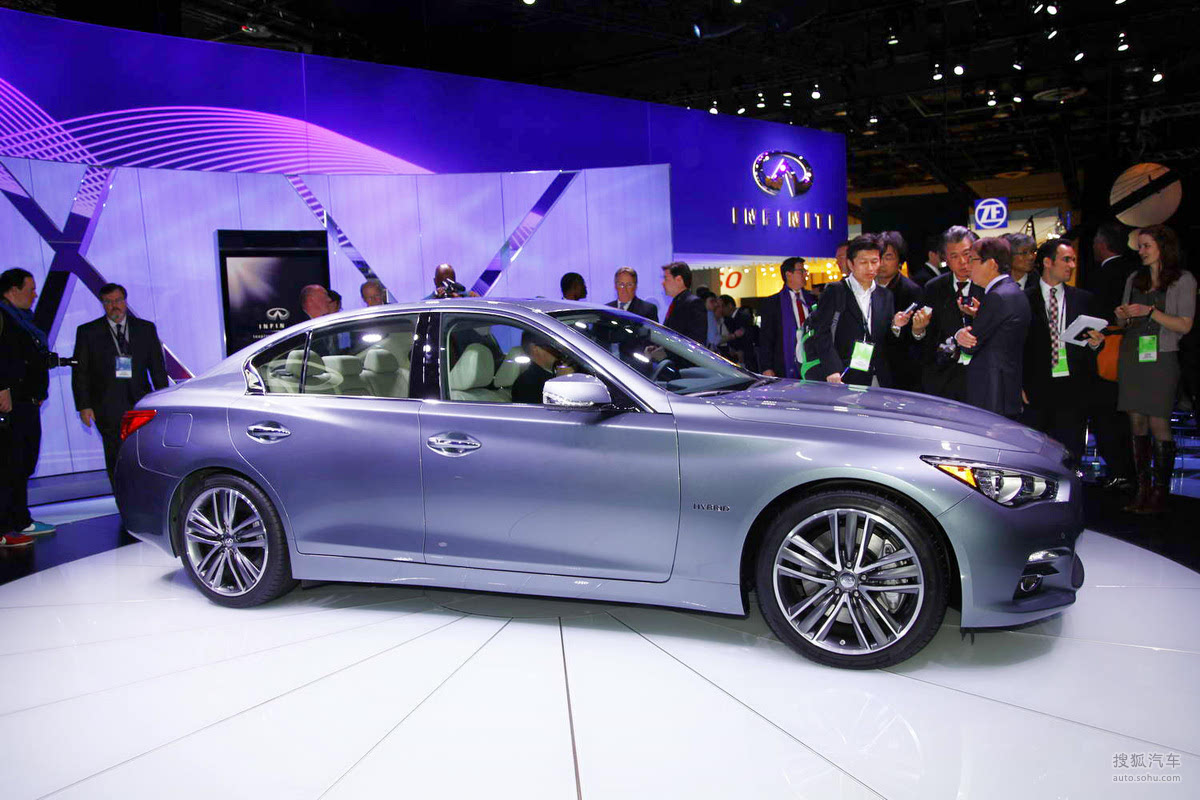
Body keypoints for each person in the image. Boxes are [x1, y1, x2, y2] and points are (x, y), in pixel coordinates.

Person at [1115, 224, 1196, 514]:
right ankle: (1142, 489)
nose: (1141, 251)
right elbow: (1123, 322)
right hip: (1132, 353)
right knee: (1136, 421)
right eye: (1139, 246)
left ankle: (1160, 492)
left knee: (1158, 421)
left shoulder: (1183, 279)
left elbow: (1184, 325)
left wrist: (1151, 311)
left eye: (1146, 245)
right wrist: (1122, 315)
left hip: (1162, 356)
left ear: (1163, 247)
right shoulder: (1134, 278)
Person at [71, 283, 170, 484]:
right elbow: (81, 372)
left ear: (125, 301)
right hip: (106, 405)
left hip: (142, 403)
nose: (113, 306)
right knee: (115, 456)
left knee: (144, 452)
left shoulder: (145, 329)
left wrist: (165, 401)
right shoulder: (88, 332)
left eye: (117, 300)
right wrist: (84, 406)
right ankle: (121, 496)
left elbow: (157, 368)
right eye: (108, 302)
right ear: (102, 304)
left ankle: (145, 494)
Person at [1022, 239, 1103, 461]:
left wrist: (1095, 343)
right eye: (1066, 260)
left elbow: (1093, 344)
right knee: (1036, 452)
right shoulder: (1024, 299)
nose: (1072, 265)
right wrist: (1019, 383)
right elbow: (1016, 345)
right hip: (1036, 386)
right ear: (1047, 262)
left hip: (1073, 386)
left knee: (1071, 450)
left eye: (1074, 260)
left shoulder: (1083, 299)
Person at [806, 235, 914, 387]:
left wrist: (895, 325)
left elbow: (885, 340)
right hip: (843, 375)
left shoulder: (885, 295)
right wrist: (832, 369)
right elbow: (821, 332)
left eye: (874, 261)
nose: (870, 268)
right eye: (863, 262)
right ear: (851, 264)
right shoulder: (835, 291)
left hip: (878, 376)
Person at [0, 268, 54, 546]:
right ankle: (4, 527)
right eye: (30, 289)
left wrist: (38, 391)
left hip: (27, 404)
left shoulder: (22, 319)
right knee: (8, 466)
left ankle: (20, 520)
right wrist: (2, 388)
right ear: (13, 290)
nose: (35, 294)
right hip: (10, 407)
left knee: (22, 465)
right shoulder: (3, 317)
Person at [953, 237, 1031, 418]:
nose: (967, 265)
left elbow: (970, 344)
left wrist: (959, 335)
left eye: (972, 259)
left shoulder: (997, 297)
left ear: (992, 264)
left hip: (992, 393)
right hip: (1006, 388)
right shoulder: (1013, 290)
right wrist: (978, 316)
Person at [1087, 220, 1139, 491]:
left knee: (1105, 415)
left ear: (1102, 245)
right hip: (1134, 355)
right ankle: (1134, 472)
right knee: (1131, 417)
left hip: (1106, 353)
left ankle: (1119, 471)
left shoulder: (1101, 277)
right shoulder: (1136, 272)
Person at [915, 226, 984, 401]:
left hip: (980, 375)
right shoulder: (933, 287)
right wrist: (918, 330)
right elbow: (926, 336)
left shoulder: (987, 286)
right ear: (945, 258)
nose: (962, 261)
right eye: (954, 256)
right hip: (943, 379)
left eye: (967, 254)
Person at [876, 231, 924, 391]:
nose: (882, 263)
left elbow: (914, 339)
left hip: (900, 371)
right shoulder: (867, 288)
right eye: (879, 257)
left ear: (900, 261)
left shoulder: (911, 291)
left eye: (888, 257)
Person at [758, 256, 816, 379]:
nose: (805, 274)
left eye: (805, 271)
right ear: (788, 274)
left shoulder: (812, 300)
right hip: (784, 363)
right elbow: (766, 337)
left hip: (812, 361)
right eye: (801, 271)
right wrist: (767, 367)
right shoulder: (773, 303)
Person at [661, 261, 707, 344]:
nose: (663, 283)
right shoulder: (677, 302)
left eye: (666, 279)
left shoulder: (693, 303)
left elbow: (695, 339)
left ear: (679, 280)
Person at [511, 330, 560, 404]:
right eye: (550, 346)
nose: (557, 350)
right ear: (535, 349)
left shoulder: (542, 377)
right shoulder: (528, 384)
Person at [718, 294, 758, 370]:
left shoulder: (743, 316)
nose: (721, 309)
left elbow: (747, 336)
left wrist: (741, 350)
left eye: (722, 306)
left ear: (730, 305)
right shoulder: (726, 319)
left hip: (746, 356)